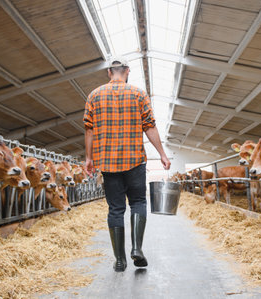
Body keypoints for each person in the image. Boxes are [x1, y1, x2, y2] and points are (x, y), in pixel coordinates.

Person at [84, 57, 171, 272]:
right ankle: (137, 249)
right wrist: (162, 154)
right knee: (139, 202)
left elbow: (89, 129)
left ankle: (120, 260)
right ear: (127, 71)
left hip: (108, 163)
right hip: (134, 161)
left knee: (115, 209)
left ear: (109, 73)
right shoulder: (139, 94)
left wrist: (89, 158)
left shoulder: (94, 95)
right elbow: (149, 126)